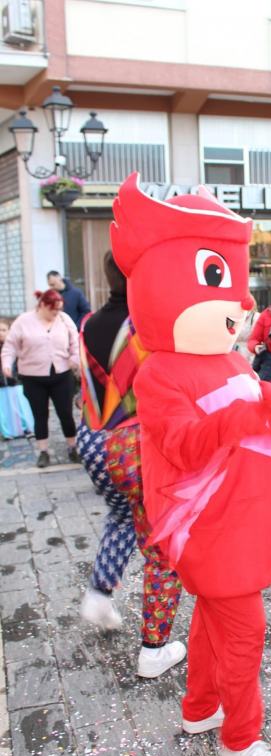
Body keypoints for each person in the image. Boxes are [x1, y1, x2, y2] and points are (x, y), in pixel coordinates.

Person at [111, 175, 271, 756]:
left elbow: (264, 413)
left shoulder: (226, 357)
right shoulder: (162, 370)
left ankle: (200, 709)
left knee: (214, 618)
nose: (241, 300)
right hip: (208, 524)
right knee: (243, 631)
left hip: (243, 513)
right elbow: (185, 443)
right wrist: (264, 410)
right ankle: (240, 741)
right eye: (222, 278)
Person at [77, 251, 184, 678]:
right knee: (161, 547)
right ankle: (153, 647)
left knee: (122, 515)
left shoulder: (88, 323)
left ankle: (99, 594)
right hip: (133, 443)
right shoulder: (142, 326)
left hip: (92, 437)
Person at [2, 289, 79, 467]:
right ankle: (43, 451)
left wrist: (75, 359)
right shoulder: (24, 321)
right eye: (53, 310)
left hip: (62, 374)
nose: (56, 313)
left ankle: (72, 447)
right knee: (40, 415)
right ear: (43, 305)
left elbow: (75, 341)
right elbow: (10, 346)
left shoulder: (64, 319)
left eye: (59, 309)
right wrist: (7, 363)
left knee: (66, 413)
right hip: (32, 376)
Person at [0, 319, 34, 439]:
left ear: (9, 331)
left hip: (16, 383)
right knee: (4, 410)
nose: (1, 333)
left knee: (21, 407)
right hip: (1, 386)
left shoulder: (15, 346)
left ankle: (27, 428)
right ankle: (8, 432)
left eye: (3, 330)